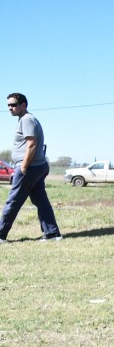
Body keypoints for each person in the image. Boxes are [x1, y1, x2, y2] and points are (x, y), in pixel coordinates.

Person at [1, 93, 61, 243]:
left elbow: (31, 144)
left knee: (13, 201)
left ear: (23, 105)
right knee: (41, 200)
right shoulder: (26, 119)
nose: (10, 108)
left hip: (29, 168)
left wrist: (23, 167)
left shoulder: (27, 120)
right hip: (37, 167)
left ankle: (0, 234)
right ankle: (53, 233)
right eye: (8, 105)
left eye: (13, 105)